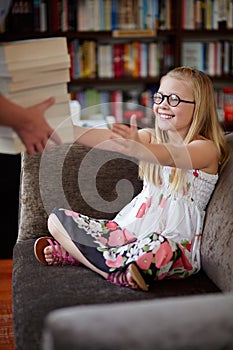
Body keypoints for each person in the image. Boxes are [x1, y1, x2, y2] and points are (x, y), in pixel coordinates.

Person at [34, 66, 229, 291]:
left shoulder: (205, 149)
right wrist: (65, 129)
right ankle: (112, 268)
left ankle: (81, 256)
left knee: (159, 247)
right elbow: (106, 138)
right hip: (126, 235)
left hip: (169, 246)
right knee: (56, 219)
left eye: (174, 99)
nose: (163, 104)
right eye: (160, 97)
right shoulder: (150, 137)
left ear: (199, 107)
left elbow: (172, 156)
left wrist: (137, 147)